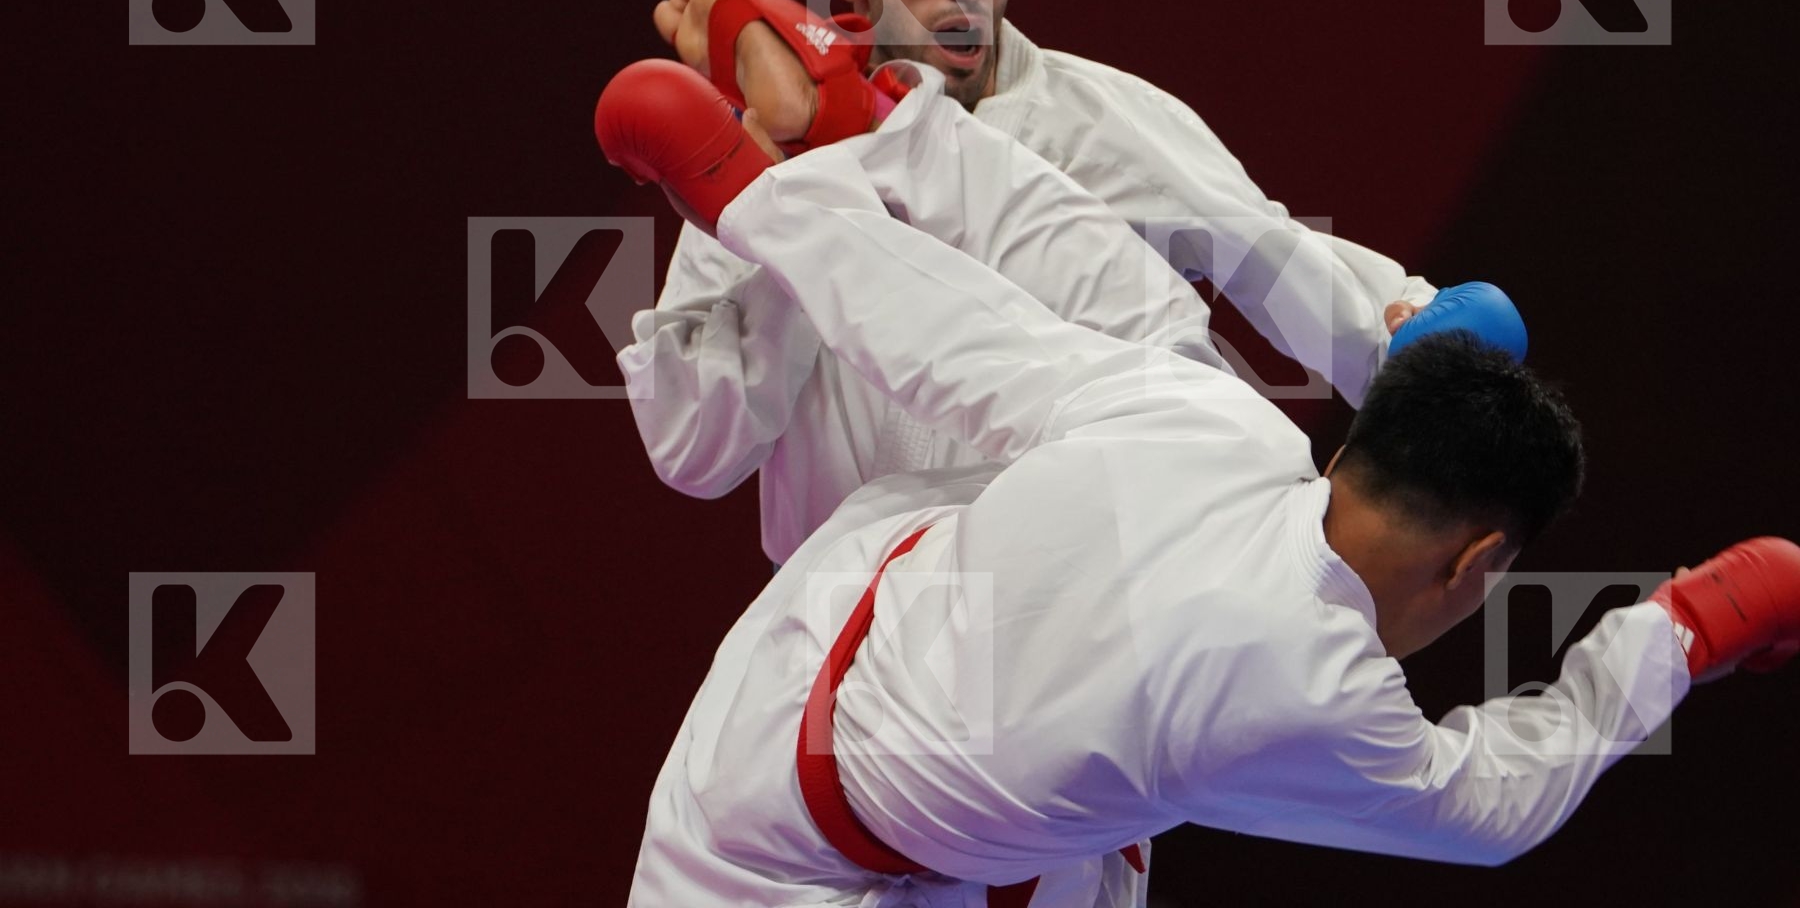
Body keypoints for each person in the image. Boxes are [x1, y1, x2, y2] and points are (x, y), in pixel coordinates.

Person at [602, 54, 1800, 907]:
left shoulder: (1205, 418)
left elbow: (940, 333)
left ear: (1348, 453)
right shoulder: (1324, 696)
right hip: (769, 856)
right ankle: (866, 119)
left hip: (825, 642)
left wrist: (739, 189)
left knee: (1129, 338)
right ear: (1477, 562)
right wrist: (1678, 634)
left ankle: (868, 114)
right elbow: (1494, 807)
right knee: (1130, 332)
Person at [617, 0, 1442, 566]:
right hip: (854, 629)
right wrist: (800, 225)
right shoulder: (754, 164)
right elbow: (695, 450)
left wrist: (1416, 346)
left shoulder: (1104, 120)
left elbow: (1268, 251)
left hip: (1073, 613)